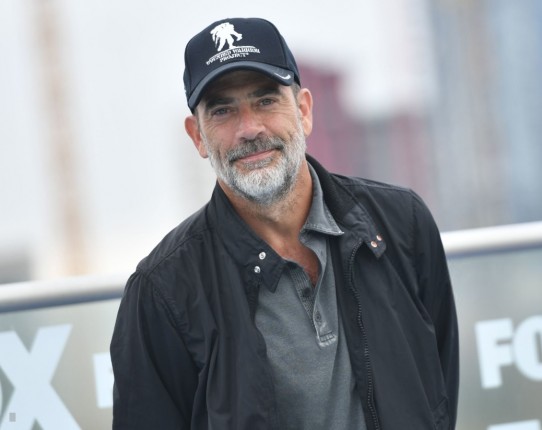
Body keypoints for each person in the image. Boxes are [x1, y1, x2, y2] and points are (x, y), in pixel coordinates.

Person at [110, 17, 459, 430]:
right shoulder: (162, 291)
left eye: (265, 100)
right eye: (222, 110)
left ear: (304, 110)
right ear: (198, 136)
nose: (249, 128)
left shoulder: (401, 223)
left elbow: (437, 396)